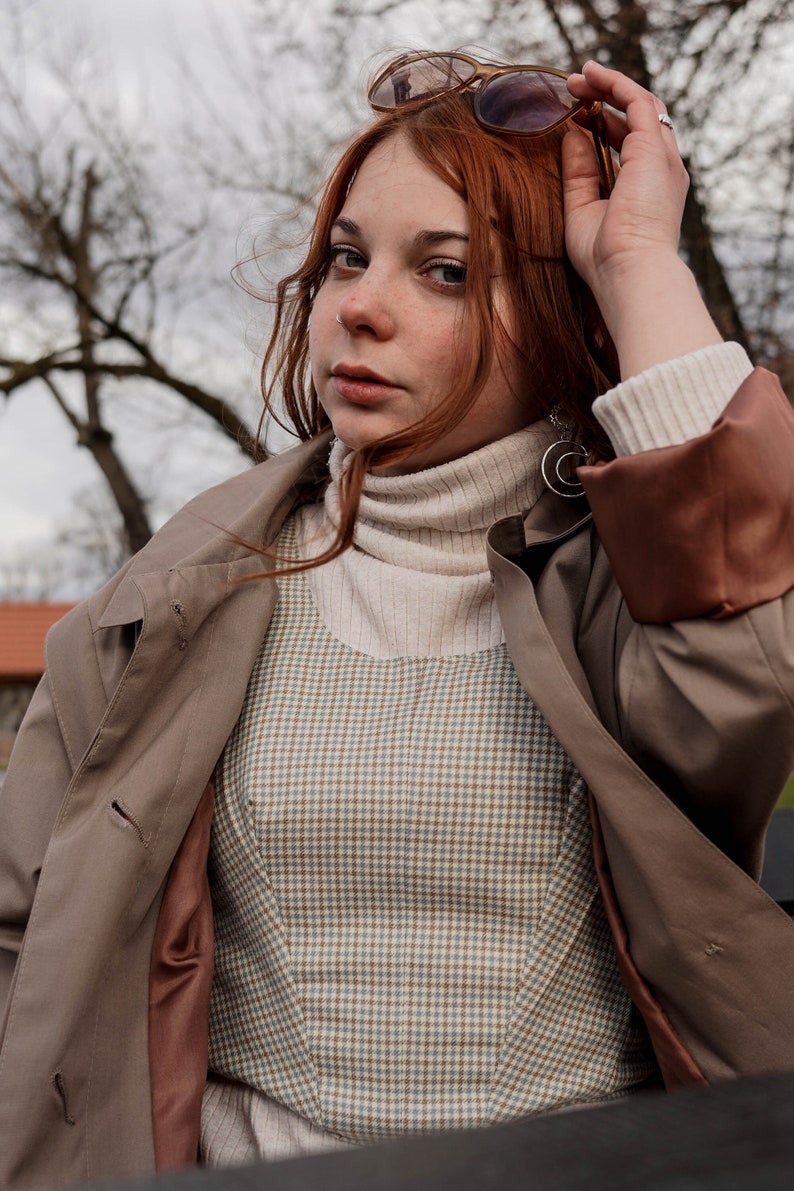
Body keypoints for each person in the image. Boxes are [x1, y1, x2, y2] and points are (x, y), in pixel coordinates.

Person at [1, 52, 794, 1191]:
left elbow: (750, 661)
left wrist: (634, 265)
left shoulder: (628, 596)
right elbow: (22, 937)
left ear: (563, 318)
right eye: (345, 258)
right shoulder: (165, 605)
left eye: (445, 271)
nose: (359, 307)